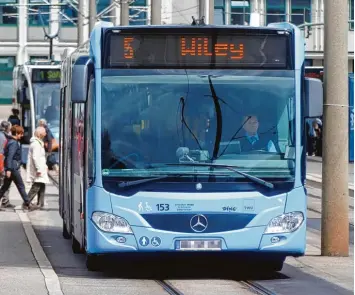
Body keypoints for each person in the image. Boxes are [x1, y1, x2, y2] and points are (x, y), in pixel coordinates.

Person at [0, 125, 38, 211]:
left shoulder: (11, 141)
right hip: (13, 168)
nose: (22, 135)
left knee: (4, 187)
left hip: (11, 167)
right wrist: (9, 169)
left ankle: (28, 203)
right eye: (21, 134)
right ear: (16, 133)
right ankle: (28, 203)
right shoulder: (13, 143)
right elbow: (10, 156)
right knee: (21, 186)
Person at [26, 126, 49, 208]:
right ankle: (26, 202)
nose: (45, 134)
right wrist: (39, 169)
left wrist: (45, 166)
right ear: (39, 134)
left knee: (42, 185)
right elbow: (35, 157)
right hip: (38, 168)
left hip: (41, 167)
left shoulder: (39, 143)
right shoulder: (35, 144)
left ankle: (40, 203)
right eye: (44, 132)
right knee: (36, 186)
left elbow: (41, 157)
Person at [0, 121, 14, 209]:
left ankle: (5, 201)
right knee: (4, 183)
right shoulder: (4, 138)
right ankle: (5, 201)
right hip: (2, 163)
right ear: (7, 128)